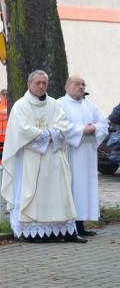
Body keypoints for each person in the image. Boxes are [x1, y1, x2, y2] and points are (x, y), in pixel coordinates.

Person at [0, 70, 80, 243]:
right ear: (29, 84)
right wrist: (47, 136)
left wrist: (52, 134)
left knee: (59, 193)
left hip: (54, 157)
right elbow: (22, 130)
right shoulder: (21, 106)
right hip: (31, 158)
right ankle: (34, 232)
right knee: (35, 194)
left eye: (44, 83)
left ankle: (63, 231)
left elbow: (63, 123)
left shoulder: (53, 104)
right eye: (38, 83)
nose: (42, 86)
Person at [59, 76, 108, 238]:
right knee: (72, 188)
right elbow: (60, 126)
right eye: (77, 84)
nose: (81, 87)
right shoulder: (60, 104)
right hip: (70, 153)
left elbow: (103, 124)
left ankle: (80, 226)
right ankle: (69, 226)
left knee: (84, 190)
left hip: (87, 154)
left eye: (83, 85)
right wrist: (82, 130)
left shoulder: (90, 106)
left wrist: (94, 127)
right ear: (67, 87)